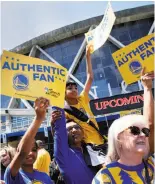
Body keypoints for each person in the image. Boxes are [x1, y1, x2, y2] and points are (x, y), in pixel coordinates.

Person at [92, 70, 154, 184]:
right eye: (134, 131)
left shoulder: (151, 164)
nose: (143, 135)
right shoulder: (105, 177)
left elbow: (150, 124)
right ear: (118, 138)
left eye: (145, 131)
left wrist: (148, 88)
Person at [4, 97, 53, 184]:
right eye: (27, 150)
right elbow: (22, 153)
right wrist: (39, 118)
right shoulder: (12, 175)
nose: (30, 153)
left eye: (34, 150)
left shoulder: (45, 176)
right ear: (16, 152)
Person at [65, 45, 105, 145]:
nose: (74, 90)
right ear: (63, 93)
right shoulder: (65, 111)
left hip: (100, 138)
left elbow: (90, 78)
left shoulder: (82, 98)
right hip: (87, 145)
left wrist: (87, 56)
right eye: (70, 88)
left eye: (75, 88)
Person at [51, 108, 95, 184]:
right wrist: (56, 120)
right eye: (69, 129)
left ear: (83, 132)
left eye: (77, 127)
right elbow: (59, 133)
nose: (74, 130)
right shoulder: (64, 155)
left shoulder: (93, 150)